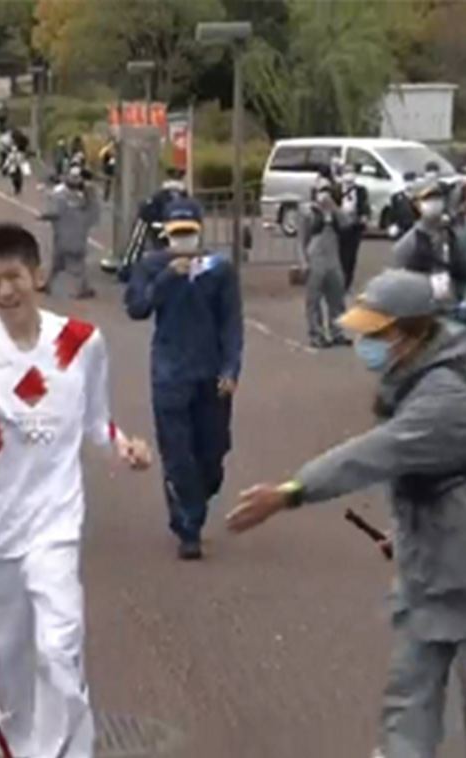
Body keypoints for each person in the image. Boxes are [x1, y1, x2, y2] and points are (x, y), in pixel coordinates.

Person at [226, 269, 466, 758]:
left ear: (414, 331)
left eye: (377, 334)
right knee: (410, 695)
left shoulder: (447, 393)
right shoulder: (420, 373)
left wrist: (293, 491)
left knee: (413, 697)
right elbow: (428, 475)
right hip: (440, 567)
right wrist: (405, 536)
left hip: (453, 568)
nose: (366, 345)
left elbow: (378, 453)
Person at [0, 222, 152, 758]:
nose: (5, 291)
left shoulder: (80, 342)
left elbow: (93, 422)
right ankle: (16, 738)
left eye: (13, 277)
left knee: (59, 648)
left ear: (36, 274)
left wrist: (121, 445)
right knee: (12, 665)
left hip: (55, 522)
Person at [127, 199, 243, 560]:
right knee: (177, 453)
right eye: (176, 234)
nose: (183, 240)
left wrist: (230, 369)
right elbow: (137, 307)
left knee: (212, 453)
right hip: (169, 373)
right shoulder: (151, 265)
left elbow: (232, 323)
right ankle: (188, 527)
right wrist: (166, 277)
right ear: (165, 233)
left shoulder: (219, 270)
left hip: (210, 376)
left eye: (189, 233)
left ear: (199, 230)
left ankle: (198, 494)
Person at [393, 178, 466, 306]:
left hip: (453, 303)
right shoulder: (408, 244)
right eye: (427, 199)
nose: (435, 203)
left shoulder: (452, 235)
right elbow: (402, 284)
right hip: (423, 308)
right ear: (416, 205)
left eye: (438, 198)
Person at [300, 181, 353, 349]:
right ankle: (316, 333)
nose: (325, 194)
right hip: (315, 258)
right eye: (322, 191)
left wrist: (334, 208)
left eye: (328, 191)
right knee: (313, 299)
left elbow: (346, 224)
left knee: (337, 297)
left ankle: (337, 331)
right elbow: (301, 240)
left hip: (333, 257)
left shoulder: (335, 213)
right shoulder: (309, 213)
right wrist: (303, 261)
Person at [40, 165, 101, 299]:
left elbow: (54, 212)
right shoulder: (84, 199)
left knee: (72, 265)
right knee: (64, 263)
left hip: (65, 237)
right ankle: (51, 285)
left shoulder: (63, 196)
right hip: (75, 236)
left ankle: (81, 289)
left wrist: (44, 216)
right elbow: (93, 216)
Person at [338, 164, 371, 292]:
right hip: (339, 227)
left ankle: (347, 283)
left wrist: (364, 216)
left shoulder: (361, 191)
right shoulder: (336, 190)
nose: (349, 175)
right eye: (346, 172)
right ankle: (338, 281)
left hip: (354, 227)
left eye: (351, 172)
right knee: (339, 254)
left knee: (350, 257)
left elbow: (365, 206)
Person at [99, 136, 117, 203]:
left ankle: (107, 196)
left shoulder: (106, 149)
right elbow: (103, 158)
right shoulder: (108, 150)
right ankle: (107, 196)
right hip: (109, 168)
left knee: (108, 183)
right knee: (108, 183)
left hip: (109, 168)